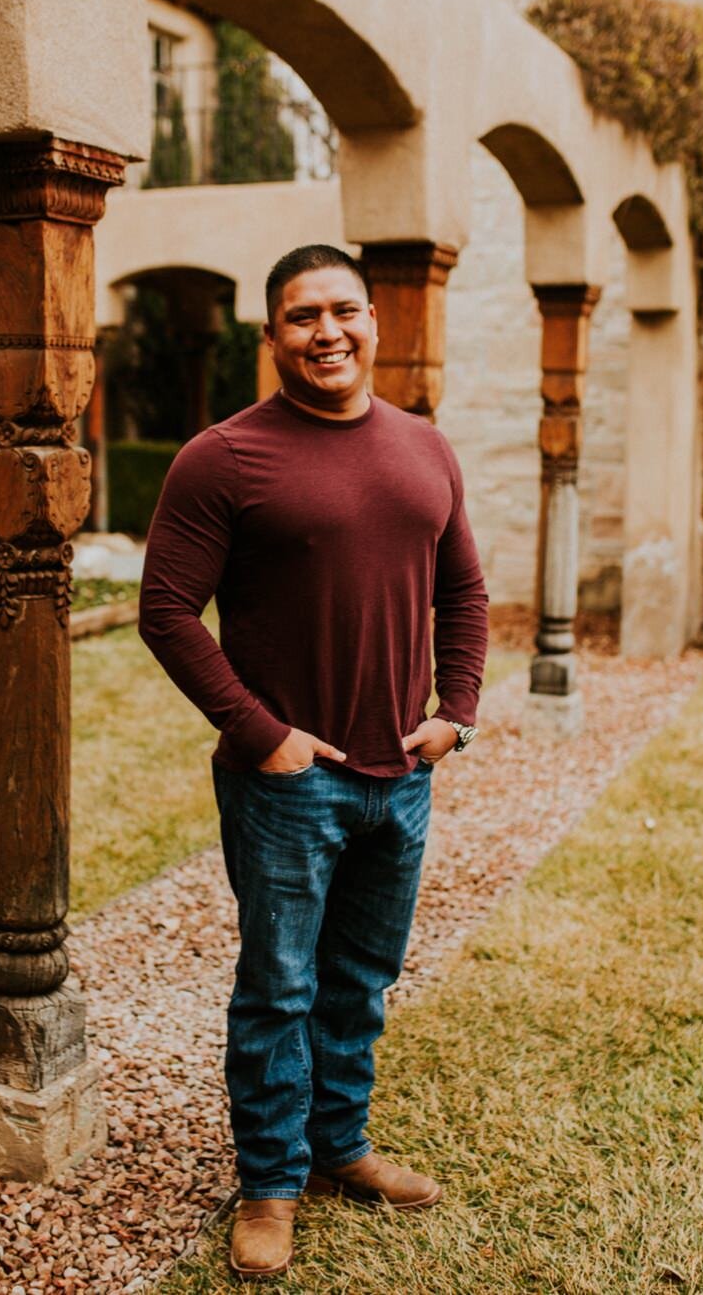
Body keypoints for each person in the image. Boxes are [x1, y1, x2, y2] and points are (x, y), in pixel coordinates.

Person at [138, 245, 488, 1281]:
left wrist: (454, 712)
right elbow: (163, 611)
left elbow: (460, 591)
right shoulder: (222, 457)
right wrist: (262, 734)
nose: (325, 332)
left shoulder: (426, 449)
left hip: (402, 775)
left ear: (375, 320)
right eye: (300, 317)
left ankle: (339, 1147)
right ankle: (268, 1183)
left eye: (341, 311)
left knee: (360, 979)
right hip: (287, 785)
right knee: (277, 987)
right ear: (270, 336)